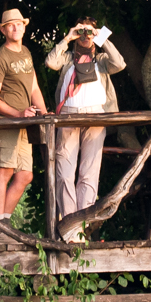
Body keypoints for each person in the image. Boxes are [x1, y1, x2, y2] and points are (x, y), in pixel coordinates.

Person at [46, 18, 126, 239]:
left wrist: (100, 36)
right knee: (64, 171)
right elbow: (51, 62)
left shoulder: (100, 59)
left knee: (89, 172)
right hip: (67, 117)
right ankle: (70, 224)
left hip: (96, 116)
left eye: (88, 31)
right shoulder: (67, 59)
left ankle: (82, 226)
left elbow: (119, 64)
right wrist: (68, 37)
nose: (84, 34)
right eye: (82, 30)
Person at [0, 8, 48, 224]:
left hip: (24, 122)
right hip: (4, 122)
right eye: (10, 24)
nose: (15, 27)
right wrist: (18, 113)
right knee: (4, 171)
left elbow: (34, 88)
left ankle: (3, 224)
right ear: (3, 30)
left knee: (25, 175)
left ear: (24, 26)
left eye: (19, 24)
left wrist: (45, 115)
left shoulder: (26, 52)